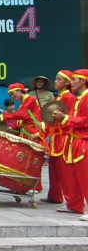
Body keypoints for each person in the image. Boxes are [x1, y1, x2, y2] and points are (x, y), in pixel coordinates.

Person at [50, 69, 88, 219]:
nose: (71, 83)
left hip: (82, 140)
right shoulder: (79, 98)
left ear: (83, 81)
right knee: (74, 175)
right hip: (74, 139)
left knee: (85, 176)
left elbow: (85, 121)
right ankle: (74, 204)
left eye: (74, 80)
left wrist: (65, 118)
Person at [44, 70, 75, 204]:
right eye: (56, 79)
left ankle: (70, 200)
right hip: (55, 138)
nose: (56, 81)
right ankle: (54, 196)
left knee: (64, 172)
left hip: (63, 138)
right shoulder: (57, 98)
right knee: (54, 170)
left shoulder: (69, 98)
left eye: (59, 79)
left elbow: (69, 120)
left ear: (68, 82)